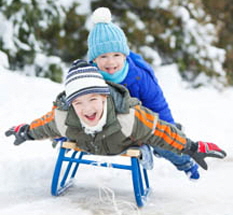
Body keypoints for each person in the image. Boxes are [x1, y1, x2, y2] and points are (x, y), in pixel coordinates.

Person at [5, 60, 226, 174]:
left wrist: (192, 147)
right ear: (71, 104)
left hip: (126, 140)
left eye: (92, 99)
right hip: (92, 142)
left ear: (104, 96)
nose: (87, 108)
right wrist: (25, 131)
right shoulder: (64, 116)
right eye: (78, 102)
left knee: (159, 142)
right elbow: (44, 125)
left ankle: (184, 164)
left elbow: (162, 131)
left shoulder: (128, 116)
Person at [87, 7, 199, 179]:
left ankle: (185, 162)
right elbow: (73, 102)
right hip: (106, 129)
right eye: (103, 57)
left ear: (124, 55)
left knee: (160, 136)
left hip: (140, 124)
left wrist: (168, 130)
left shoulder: (139, 76)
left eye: (116, 55)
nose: (111, 62)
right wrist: (63, 129)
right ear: (94, 59)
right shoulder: (88, 76)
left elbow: (157, 104)